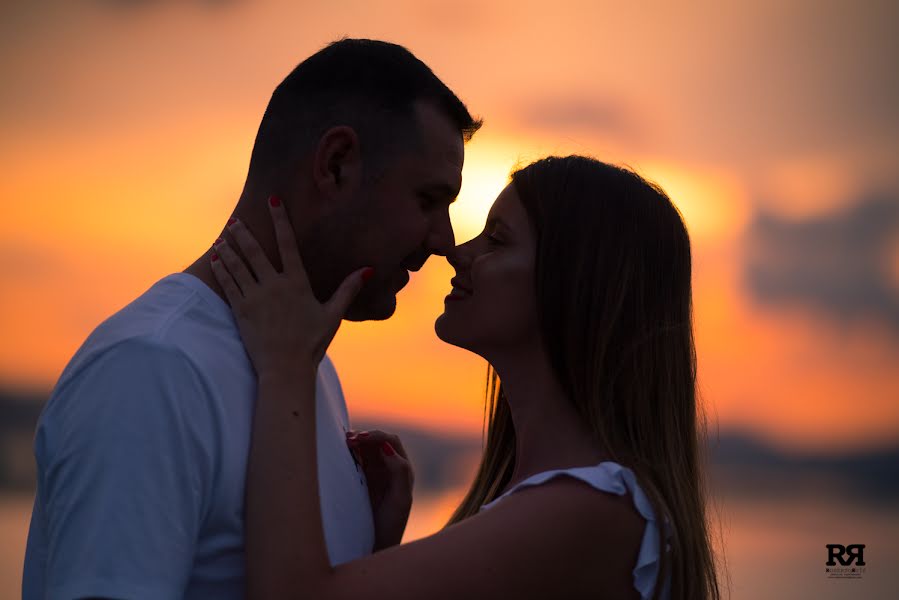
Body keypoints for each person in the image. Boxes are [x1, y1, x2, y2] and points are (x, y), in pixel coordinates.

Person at [23, 38, 481, 599]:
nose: (444, 241)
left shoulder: (299, 367)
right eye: (428, 200)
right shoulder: (152, 370)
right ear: (336, 166)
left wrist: (370, 554)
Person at [211, 155, 724, 599]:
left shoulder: (593, 509)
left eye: (497, 240)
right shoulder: (561, 505)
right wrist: (375, 547)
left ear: (575, 283)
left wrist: (286, 369)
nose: (459, 253)